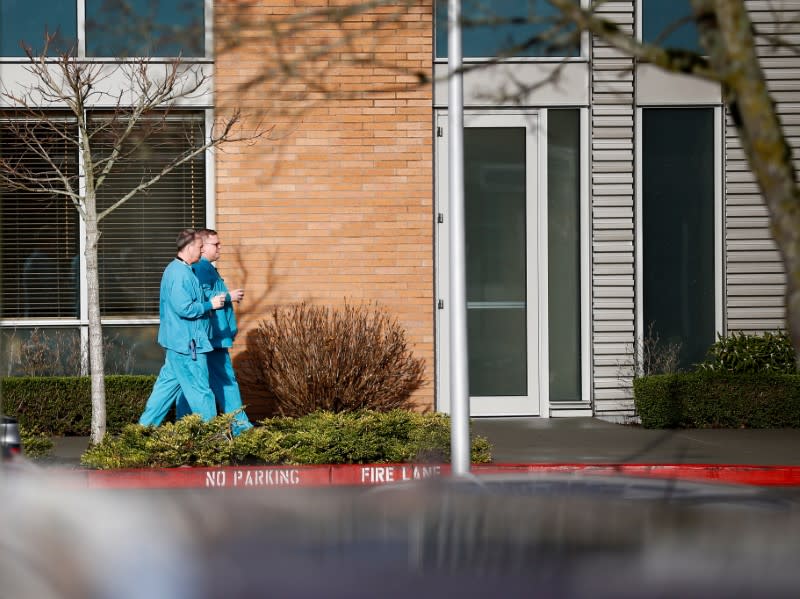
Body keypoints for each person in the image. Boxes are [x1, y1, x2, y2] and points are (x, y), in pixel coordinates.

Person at [139, 229, 226, 426]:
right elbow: (184, 308)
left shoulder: (181, 270)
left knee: (164, 390)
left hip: (179, 343)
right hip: (188, 344)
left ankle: (141, 431)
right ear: (188, 247)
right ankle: (211, 439)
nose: (202, 251)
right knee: (201, 392)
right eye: (199, 247)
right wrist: (210, 305)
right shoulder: (179, 273)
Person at [176, 228, 253, 434]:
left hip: (211, 337)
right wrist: (228, 296)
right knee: (226, 382)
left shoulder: (205, 268)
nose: (220, 248)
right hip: (213, 338)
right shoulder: (201, 268)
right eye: (215, 244)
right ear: (201, 248)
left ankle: (185, 427)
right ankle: (241, 428)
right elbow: (202, 298)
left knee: (192, 384)